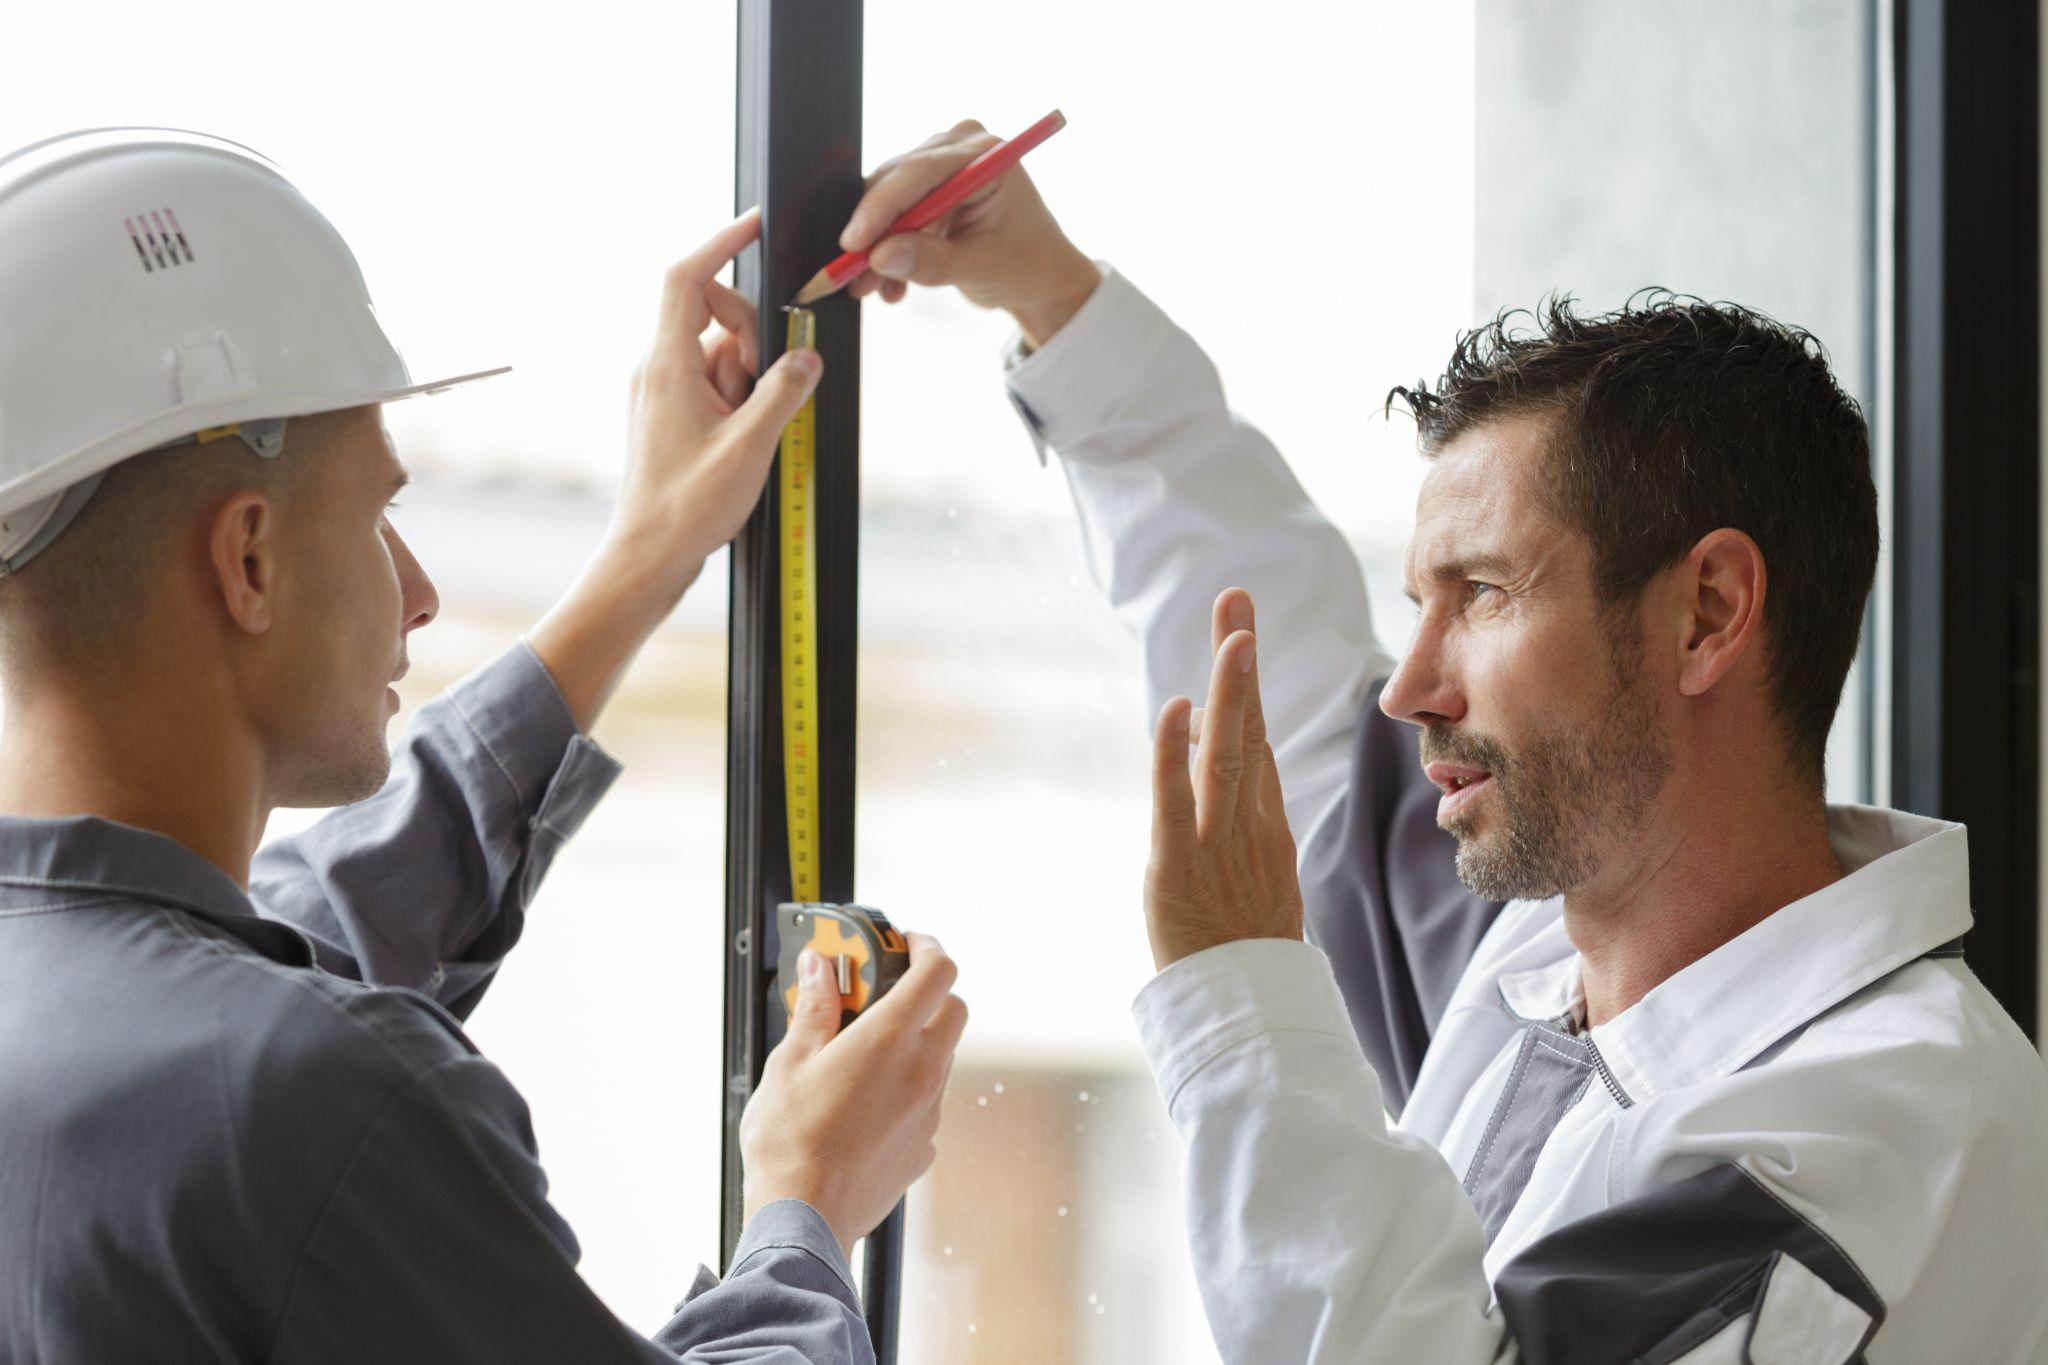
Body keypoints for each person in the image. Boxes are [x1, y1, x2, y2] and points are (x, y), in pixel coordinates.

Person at [836, 120, 2048, 1362]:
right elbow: (1274, 667)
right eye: (1419, 602)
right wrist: (1049, 295)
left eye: (1479, 593)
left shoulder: (1876, 1139)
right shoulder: (1543, 954)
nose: (1406, 685)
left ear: (1706, 615)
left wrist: (1241, 1001)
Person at [0, 129, 963, 1363]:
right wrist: (806, 1206)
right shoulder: (325, 1102)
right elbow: (290, 1026)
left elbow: (323, 925)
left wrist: (644, 558)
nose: (418, 593)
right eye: (378, 513)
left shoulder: (90, 1010)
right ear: (248, 559)